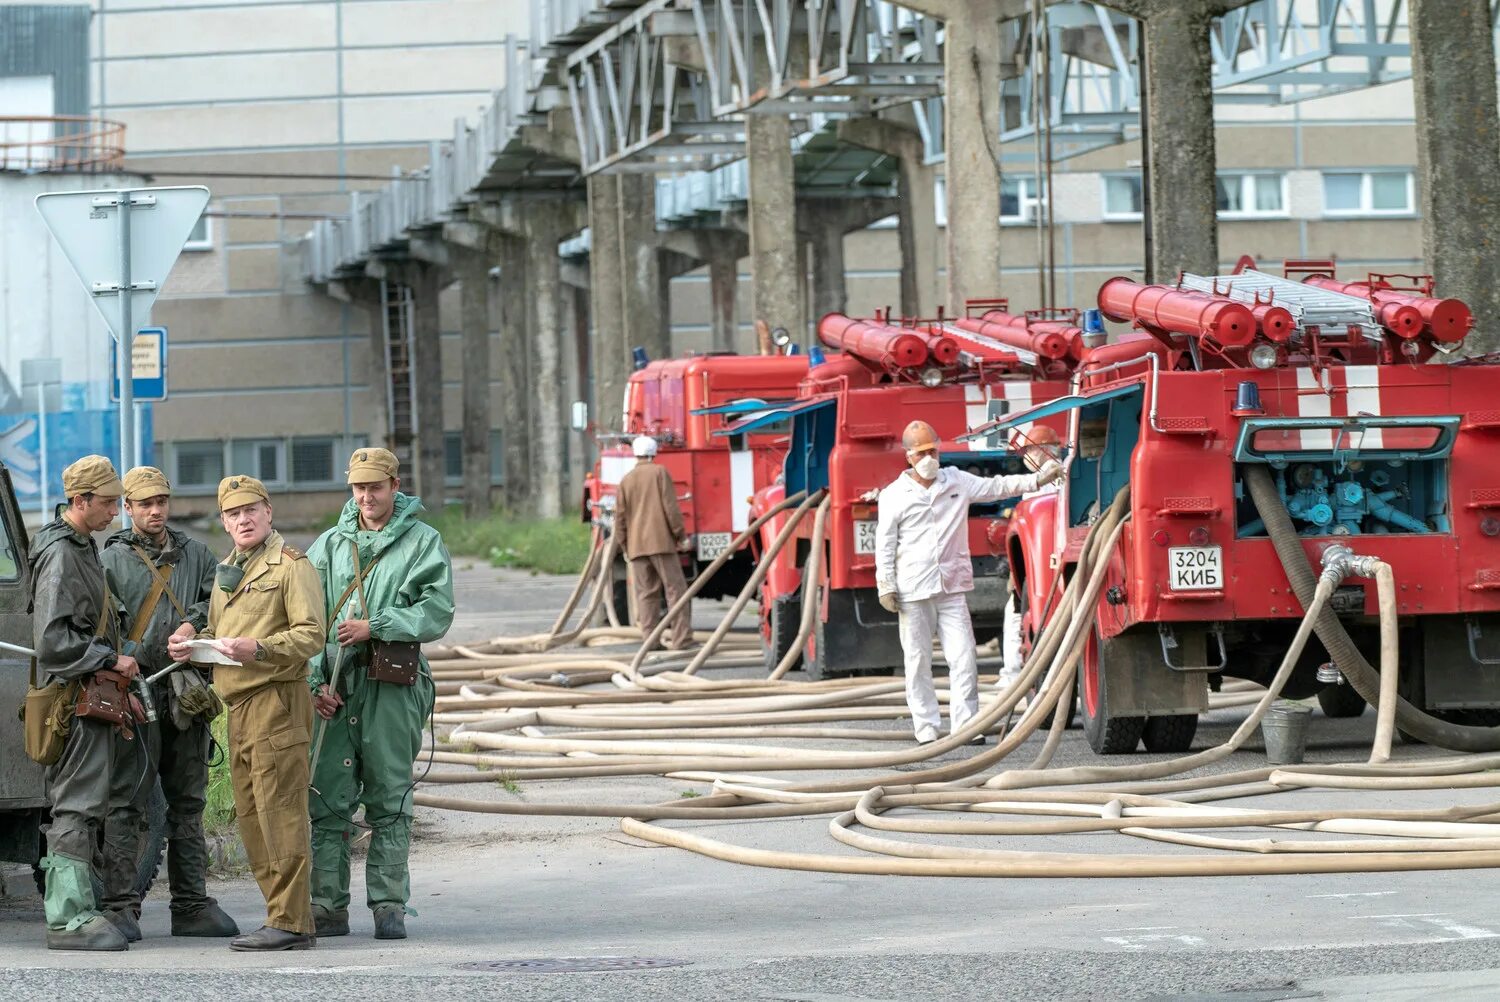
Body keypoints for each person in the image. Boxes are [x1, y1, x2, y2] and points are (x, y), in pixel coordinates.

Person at [168, 475, 326, 951]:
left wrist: (258, 648)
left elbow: (312, 635)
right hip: (238, 707)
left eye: (251, 510)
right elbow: (221, 629)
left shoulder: (291, 566)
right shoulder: (228, 571)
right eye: (234, 514)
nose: (243, 519)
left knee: (281, 815)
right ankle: (280, 916)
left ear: (268, 512)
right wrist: (189, 639)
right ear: (224, 521)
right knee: (253, 818)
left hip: (276, 701)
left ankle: (293, 922)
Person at [306, 448, 454, 941]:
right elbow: (304, 621)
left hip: (392, 687)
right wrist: (313, 682)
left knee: (390, 796)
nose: (366, 497)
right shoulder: (327, 546)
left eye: (375, 486)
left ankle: (389, 905)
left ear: (394, 485)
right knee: (327, 798)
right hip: (336, 688)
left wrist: (379, 626)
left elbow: (437, 610)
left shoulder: (422, 542)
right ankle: (326, 906)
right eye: (358, 488)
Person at [98, 466, 239, 942]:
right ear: (128, 508)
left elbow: (218, 605)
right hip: (134, 695)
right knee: (127, 803)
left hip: (185, 693)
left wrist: (193, 626)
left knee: (188, 802)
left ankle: (191, 904)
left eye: (161, 501)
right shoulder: (109, 560)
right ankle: (119, 907)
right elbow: (101, 620)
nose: (156, 511)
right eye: (145, 504)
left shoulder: (197, 554)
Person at [875, 421, 1062, 745]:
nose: (929, 457)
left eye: (932, 450)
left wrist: (1037, 479)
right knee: (917, 660)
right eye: (922, 453)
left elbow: (998, 486)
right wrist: (886, 584)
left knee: (964, 658)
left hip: (951, 588)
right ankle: (926, 727)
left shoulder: (956, 481)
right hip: (913, 590)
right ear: (909, 456)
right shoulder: (894, 496)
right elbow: (885, 542)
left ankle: (966, 725)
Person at [30, 456, 139, 951]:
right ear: (80, 501)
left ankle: (79, 910)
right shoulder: (62, 554)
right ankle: (68, 918)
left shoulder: (81, 548)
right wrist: (110, 658)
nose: (116, 511)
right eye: (110, 502)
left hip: (88, 699)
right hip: (75, 702)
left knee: (86, 803)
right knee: (74, 806)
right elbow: (54, 641)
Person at [1000, 425, 1065, 693]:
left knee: (1017, 613)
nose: (1025, 456)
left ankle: (1013, 677)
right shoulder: (1063, 474)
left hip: (1046, 564)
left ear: (1041, 451)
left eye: (1027, 451)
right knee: (1015, 611)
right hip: (1043, 562)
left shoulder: (1053, 480)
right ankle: (1013, 675)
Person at [614, 435, 692, 650]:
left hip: (636, 547)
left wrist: (625, 546)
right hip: (661, 543)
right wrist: (680, 536)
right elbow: (671, 508)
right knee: (676, 590)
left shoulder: (626, 480)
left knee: (646, 595)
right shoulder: (659, 472)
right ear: (654, 452)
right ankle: (681, 640)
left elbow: (619, 518)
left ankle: (650, 642)